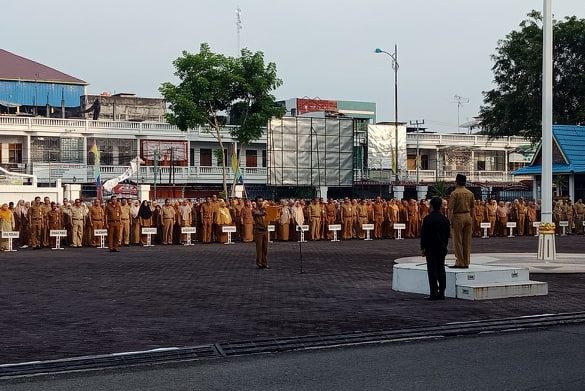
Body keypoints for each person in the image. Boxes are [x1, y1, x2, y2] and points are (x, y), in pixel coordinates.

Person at [420, 197, 450, 300]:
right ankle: (442, 292)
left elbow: (424, 235)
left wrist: (423, 247)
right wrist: (445, 246)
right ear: (441, 206)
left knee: (432, 270)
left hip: (431, 248)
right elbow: (447, 235)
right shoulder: (445, 219)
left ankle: (433, 292)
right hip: (442, 247)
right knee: (441, 269)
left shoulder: (428, 219)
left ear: (431, 206)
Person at [448, 174, 475, 268]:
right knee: (467, 240)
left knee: (457, 240)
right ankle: (466, 261)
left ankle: (460, 261)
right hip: (468, 216)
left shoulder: (454, 193)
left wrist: (449, 220)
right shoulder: (470, 193)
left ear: (457, 182)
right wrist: (472, 219)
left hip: (458, 216)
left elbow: (450, 209)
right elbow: (473, 208)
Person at [253, 196, 269, 269]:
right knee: (259, 248)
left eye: (262, 201)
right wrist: (264, 213)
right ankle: (259, 263)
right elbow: (257, 214)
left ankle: (264, 262)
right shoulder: (254, 209)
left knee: (265, 248)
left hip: (265, 230)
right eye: (259, 201)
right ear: (256, 202)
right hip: (258, 231)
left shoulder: (265, 209)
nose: (261, 202)